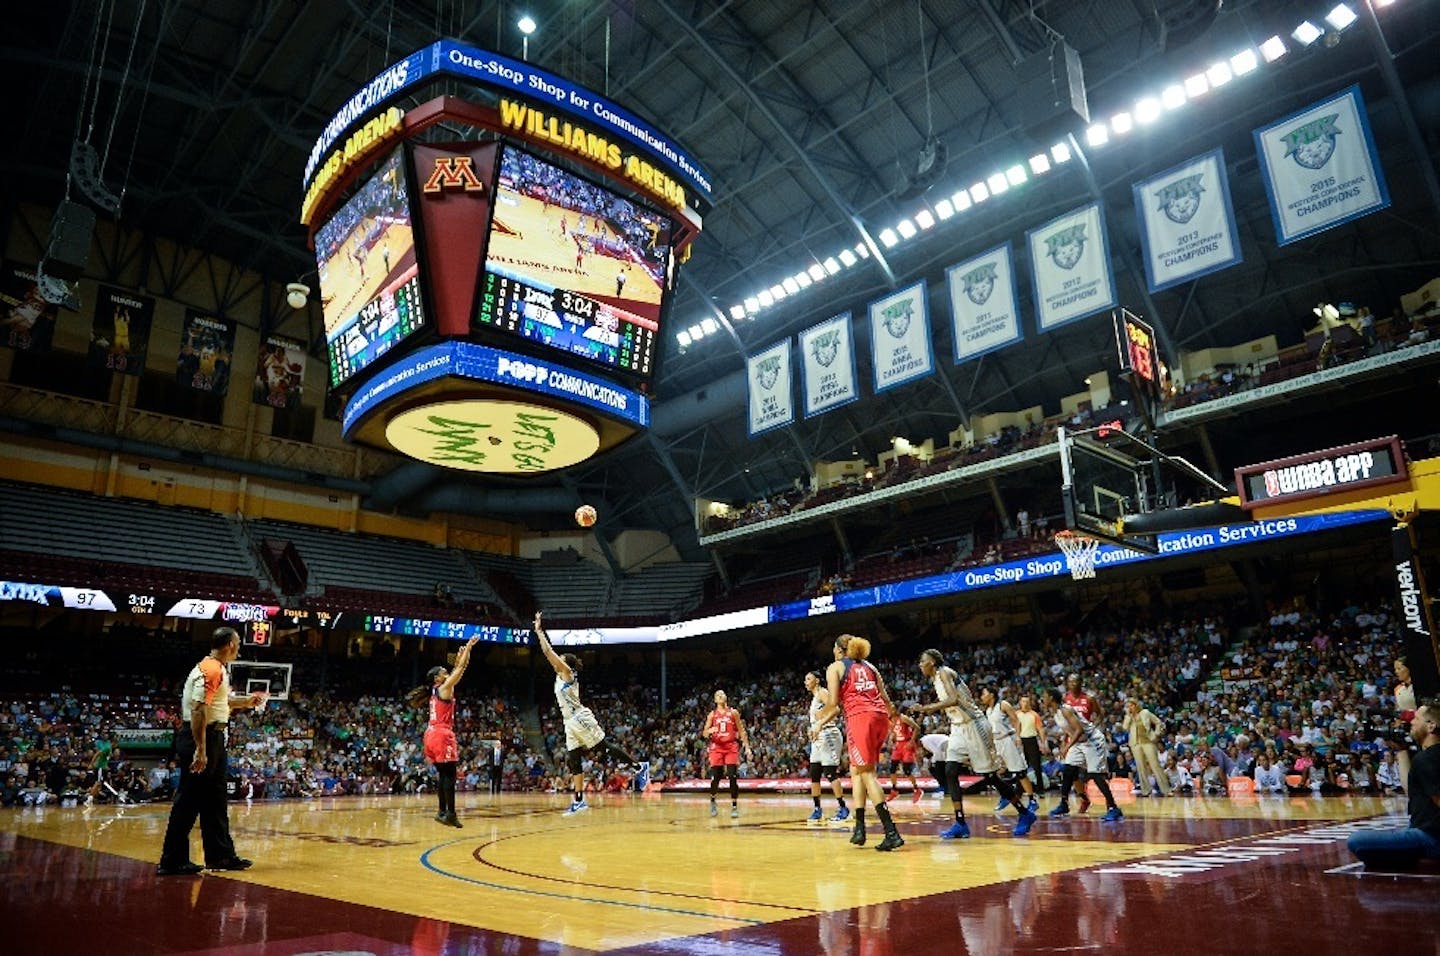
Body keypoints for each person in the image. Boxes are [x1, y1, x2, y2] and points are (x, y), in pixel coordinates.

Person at [156, 627, 267, 876]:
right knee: (188, 800)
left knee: (215, 801)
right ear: (229, 644)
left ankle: (221, 856)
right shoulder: (212, 669)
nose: (239, 648)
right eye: (238, 643)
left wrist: (247, 702)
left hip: (213, 737)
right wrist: (201, 749)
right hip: (203, 737)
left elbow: (220, 703)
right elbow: (197, 709)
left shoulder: (215, 668)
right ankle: (172, 860)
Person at [533, 611, 648, 815]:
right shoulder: (560, 676)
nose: (556, 661)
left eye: (560, 659)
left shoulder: (568, 674)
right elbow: (550, 655)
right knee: (573, 759)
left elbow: (548, 653)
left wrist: (539, 631)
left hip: (579, 717)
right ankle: (578, 801)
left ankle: (639, 767)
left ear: (566, 663)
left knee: (602, 748)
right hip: (569, 722)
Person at [913, 650, 1036, 838]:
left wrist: (926, 708)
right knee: (950, 771)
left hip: (975, 725)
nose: (920, 665)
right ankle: (960, 823)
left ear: (932, 662)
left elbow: (953, 699)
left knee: (990, 777)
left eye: (922, 661)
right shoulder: (936, 679)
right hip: (958, 728)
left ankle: (1025, 813)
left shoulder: (945, 672)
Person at [811, 634, 904, 850]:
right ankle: (859, 829)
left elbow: (834, 704)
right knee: (856, 770)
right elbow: (886, 699)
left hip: (860, 718)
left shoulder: (835, 667)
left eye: (834, 648)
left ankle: (891, 832)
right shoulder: (870, 666)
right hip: (880, 716)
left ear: (839, 650)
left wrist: (818, 720)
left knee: (867, 773)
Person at [1347, 703, 1440, 869]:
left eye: (1416, 719)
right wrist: (1402, 750)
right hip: (1426, 830)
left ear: (1431, 726)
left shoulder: (1427, 758)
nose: (1411, 723)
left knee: (1357, 841)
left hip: (1432, 837)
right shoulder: (1427, 756)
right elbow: (1410, 790)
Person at [406, 636, 479, 828]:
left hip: (430, 734)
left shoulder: (435, 690)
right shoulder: (445, 687)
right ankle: (451, 814)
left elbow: (456, 668)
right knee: (450, 776)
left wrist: (461, 656)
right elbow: (460, 670)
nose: (447, 673)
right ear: (437, 678)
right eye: (444, 672)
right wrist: (469, 648)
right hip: (441, 734)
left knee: (443, 776)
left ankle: (442, 811)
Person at [1043, 687, 1122, 821]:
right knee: (1068, 770)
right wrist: (1064, 743)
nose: (1042, 699)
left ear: (1051, 698)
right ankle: (1064, 804)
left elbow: (1079, 730)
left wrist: (1067, 746)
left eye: (1044, 696)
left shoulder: (1065, 710)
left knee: (1096, 775)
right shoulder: (1056, 712)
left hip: (1092, 740)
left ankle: (1114, 808)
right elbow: (1070, 731)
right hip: (1079, 742)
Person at [981, 686, 1037, 813]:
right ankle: (1006, 794)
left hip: (1008, 740)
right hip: (996, 742)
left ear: (992, 694)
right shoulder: (988, 710)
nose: (981, 697)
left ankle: (1032, 800)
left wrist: (1018, 737)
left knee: (1020, 772)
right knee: (992, 772)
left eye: (984, 694)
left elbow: (1016, 721)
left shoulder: (1003, 704)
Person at [805, 670, 849, 822]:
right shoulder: (814, 698)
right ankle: (817, 809)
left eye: (808, 679)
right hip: (818, 738)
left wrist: (820, 724)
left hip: (829, 734)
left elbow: (836, 709)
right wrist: (813, 729)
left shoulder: (822, 692)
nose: (806, 682)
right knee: (814, 772)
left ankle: (844, 808)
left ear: (817, 680)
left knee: (830, 772)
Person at [703, 689, 754, 818]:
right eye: (718, 695)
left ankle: (734, 806)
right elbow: (704, 733)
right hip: (717, 748)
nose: (720, 696)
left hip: (731, 746)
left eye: (722, 694)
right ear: (715, 700)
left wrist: (747, 748)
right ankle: (713, 800)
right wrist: (710, 730)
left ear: (726, 697)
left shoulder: (733, 713)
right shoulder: (712, 714)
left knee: (732, 775)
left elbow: (742, 731)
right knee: (716, 776)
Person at [1123, 699, 1170, 798]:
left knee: (1155, 765)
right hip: (1135, 744)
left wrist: (1156, 734)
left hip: (1148, 741)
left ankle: (1166, 789)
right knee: (1141, 767)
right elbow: (1125, 728)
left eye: (1131, 705)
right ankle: (1145, 790)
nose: (1129, 708)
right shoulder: (1129, 717)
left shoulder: (1145, 712)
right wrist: (1128, 716)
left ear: (1136, 705)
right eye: (1128, 706)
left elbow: (1158, 722)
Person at [885, 706, 922, 803]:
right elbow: (895, 732)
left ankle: (917, 789)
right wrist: (890, 739)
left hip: (906, 744)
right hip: (898, 745)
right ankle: (894, 790)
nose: (889, 710)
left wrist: (912, 741)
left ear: (896, 710)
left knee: (906, 770)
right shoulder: (891, 720)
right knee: (892, 768)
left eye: (891, 709)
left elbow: (917, 728)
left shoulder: (903, 718)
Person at [1016, 694, 1046, 797]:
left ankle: (1040, 791)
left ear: (1030, 703)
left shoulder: (1034, 715)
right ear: (1020, 703)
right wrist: (1017, 738)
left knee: (1037, 767)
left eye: (1027, 702)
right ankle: (1018, 791)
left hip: (1032, 741)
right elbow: (1014, 728)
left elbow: (1040, 729)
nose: (1025, 704)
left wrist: (1043, 743)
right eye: (1023, 701)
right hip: (1021, 741)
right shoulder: (1016, 714)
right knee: (1020, 767)